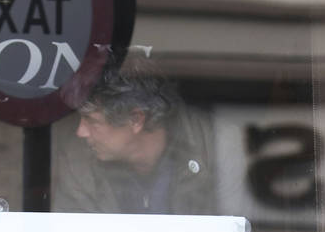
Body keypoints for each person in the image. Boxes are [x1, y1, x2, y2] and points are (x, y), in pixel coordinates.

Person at [52, 55, 215, 215]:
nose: (80, 132)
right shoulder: (78, 166)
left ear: (136, 120)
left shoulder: (211, 151)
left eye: (93, 121)